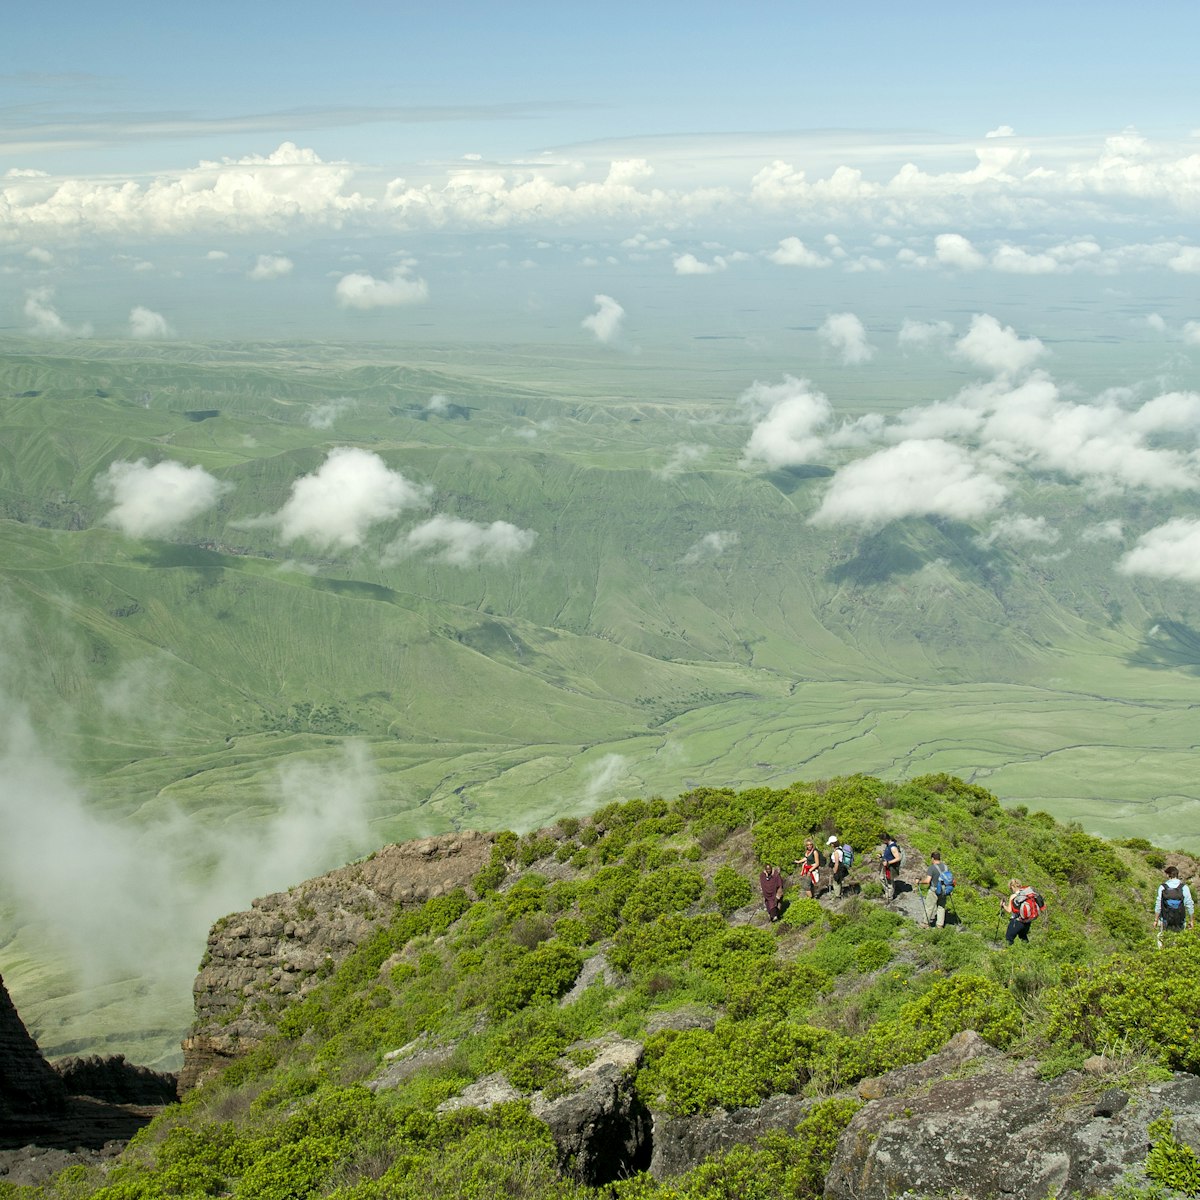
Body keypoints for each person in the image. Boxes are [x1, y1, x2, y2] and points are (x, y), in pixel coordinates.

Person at [1154, 864, 1195, 949]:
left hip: (1165, 919)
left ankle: (1162, 955)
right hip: (1180, 919)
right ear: (1177, 875)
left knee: (1163, 938)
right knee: (1178, 940)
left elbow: (1158, 905)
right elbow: (1190, 904)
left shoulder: (1163, 887)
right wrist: (1191, 920)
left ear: (1168, 875)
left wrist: (1156, 920)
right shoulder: (1184, 887)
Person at [1002, 878, 1040, 945]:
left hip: (1016, 921)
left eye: (1011, 888)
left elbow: (1009, 910)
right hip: (1027, 922)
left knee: (1009, 938)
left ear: (1012, 887)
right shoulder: (1027, 894)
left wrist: (1003, 905)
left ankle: (1006, 954)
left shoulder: (1013, 896)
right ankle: (1029, 952)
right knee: (1023, 937)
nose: (1011, 890)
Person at [920, 850, 952, 927]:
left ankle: (925, 923)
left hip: (934, 890)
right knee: (941, 907)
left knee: (929, 907)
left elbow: (927, 881)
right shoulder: (946, 867)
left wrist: (919, 881)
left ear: (932, 859)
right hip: (944, 890)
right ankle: (940, 925)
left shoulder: (932, 868)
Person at [879, 833, 902, 902]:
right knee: (882, 878)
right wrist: (881, 856)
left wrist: (888, 862)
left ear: (885, 839)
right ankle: (887, 893)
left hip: (890, 868)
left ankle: (889, 897)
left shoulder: (893, 847)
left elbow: (898, 858)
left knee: (889, 882)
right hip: (885, 866)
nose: (882, 842)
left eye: (882, 840)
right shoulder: (888, 845)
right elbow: (888, 855)